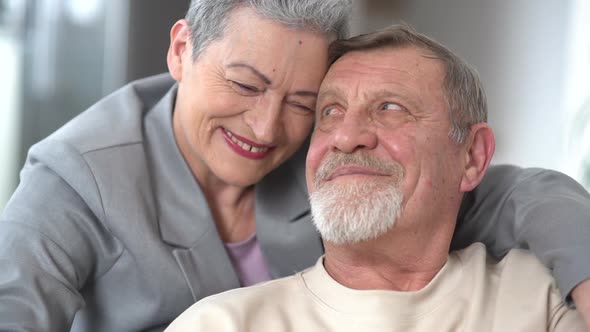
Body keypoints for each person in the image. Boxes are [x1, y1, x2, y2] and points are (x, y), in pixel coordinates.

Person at [0, 1, 589, 331]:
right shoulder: (73, 178)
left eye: (306, 104)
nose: (265, 128)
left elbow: (514, 194)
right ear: (181, 50)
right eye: (243, 84)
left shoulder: (340, 158)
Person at [165, 25, 585, 331]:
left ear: (472, 157)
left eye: (390, 108)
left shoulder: (545, 301)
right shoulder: (220, 324)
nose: (346, 138)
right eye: (329, 112)